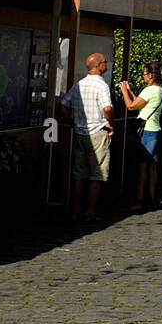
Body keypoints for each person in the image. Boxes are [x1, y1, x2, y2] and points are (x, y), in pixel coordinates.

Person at [60, 52, 114, 221]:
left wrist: (70, 119)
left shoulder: (79, 85)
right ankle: (90, 210)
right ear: (99, 66)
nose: (106, 64)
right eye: (105, 62)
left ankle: (76, 209)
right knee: (96, 174)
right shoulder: (101, 85)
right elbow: (107, 108)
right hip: (97, 131)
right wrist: (110, 122)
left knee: (79, 173)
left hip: (79, 132)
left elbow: (63, 103)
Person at [119, 63, 162, 211]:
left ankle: (139, 200)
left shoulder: (150, 90)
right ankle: (151, 198)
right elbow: (141, 104)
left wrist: (124, 91)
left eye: (145, 74)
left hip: (147, 132)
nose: (143, 77)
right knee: (152, 167)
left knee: (143, 167)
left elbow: (132, 106)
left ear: (151, 75)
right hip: (155, 129)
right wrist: (132, 92)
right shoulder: (160, 90)